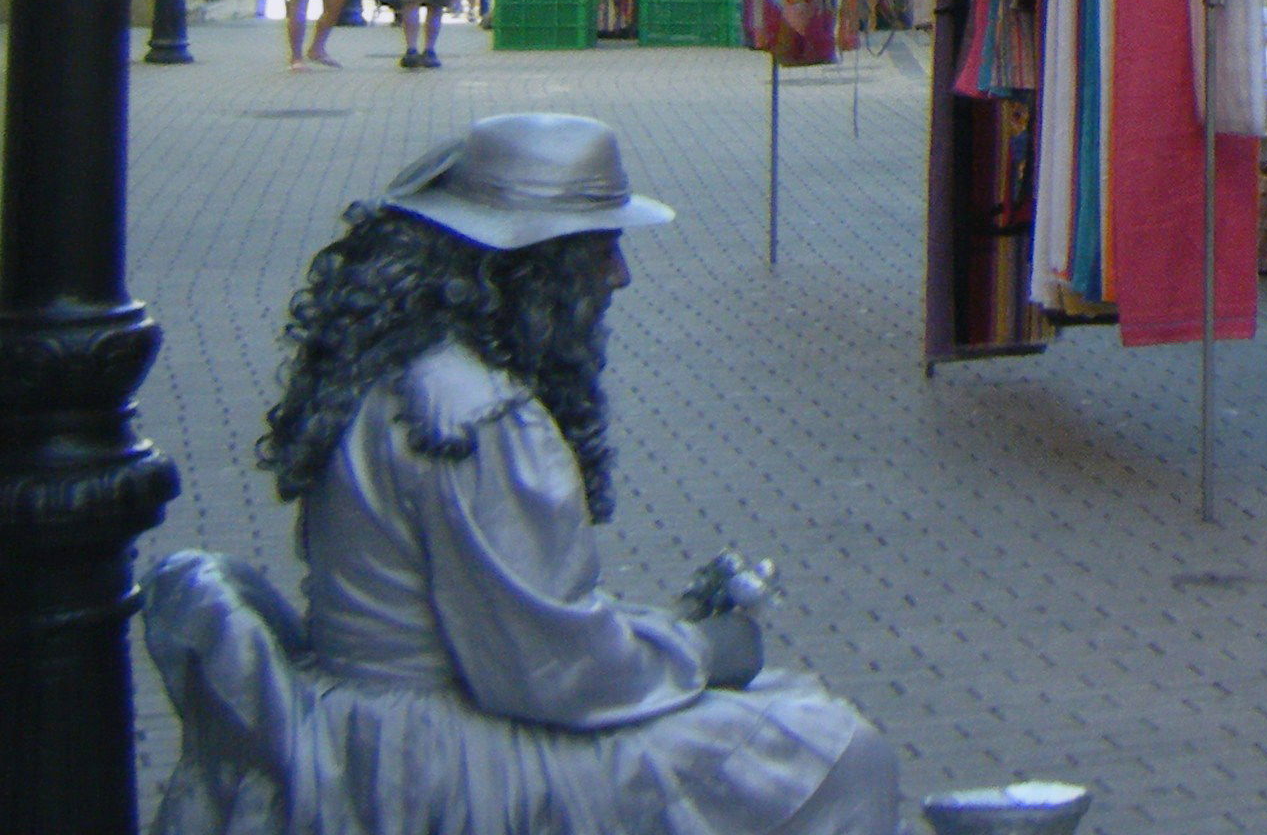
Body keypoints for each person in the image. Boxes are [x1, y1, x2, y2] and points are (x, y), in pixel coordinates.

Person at [145, 113, 901, 833]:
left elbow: (519, 616)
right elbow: (549, 671)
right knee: (829, 753)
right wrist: (706, 648)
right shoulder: (477, 416)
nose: (620, 276)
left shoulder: (390, 370)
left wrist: (664, 628)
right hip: (434, 751)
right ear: (534, 267)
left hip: (361, 717)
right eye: (601, 249)